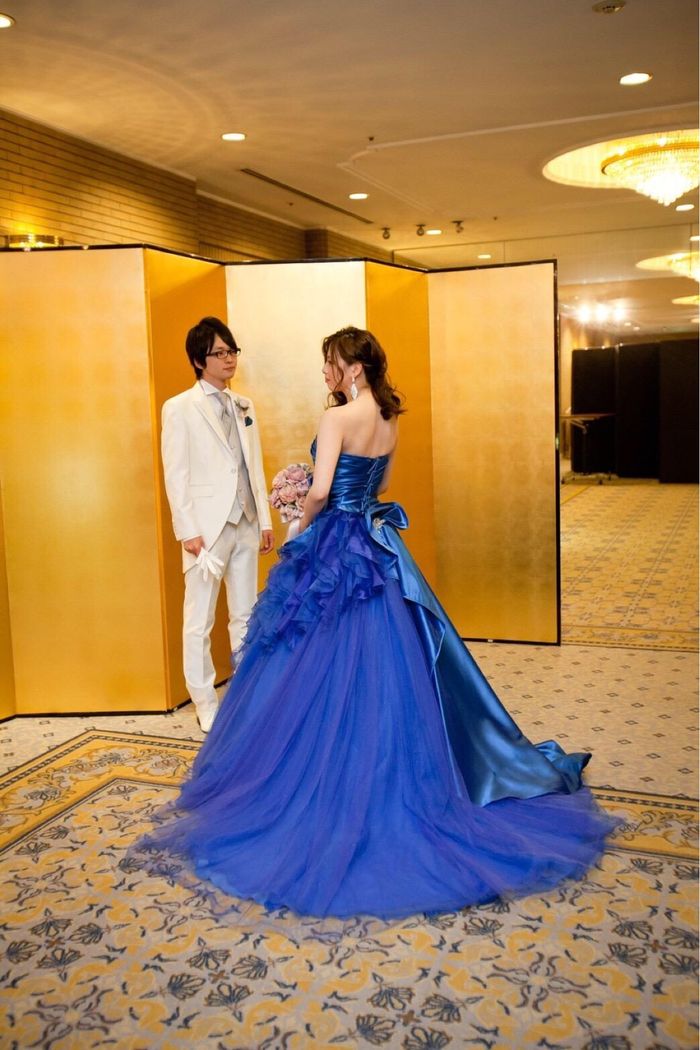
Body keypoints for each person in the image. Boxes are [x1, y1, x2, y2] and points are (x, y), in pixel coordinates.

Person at [143, 325, 617, 919]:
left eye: (330, 362)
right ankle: (396, 767)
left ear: (353, 368)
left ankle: (322, 778)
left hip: (335, 543)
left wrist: (298, 521)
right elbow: (382, 483)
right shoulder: (390, 420)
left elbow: (321, 490)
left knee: (311, 658)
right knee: (389, 658)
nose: (325, 372)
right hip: (376, 541)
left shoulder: (336, 417)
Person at [161, 316, 274, 734]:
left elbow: (252, 466)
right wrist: (187, 530)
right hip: (205, 532)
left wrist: (264, 519)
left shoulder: (244, 405)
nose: (229, 359)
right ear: (199, 360)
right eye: (220, 353)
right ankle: (204, 702)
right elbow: (176, 473)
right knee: (200, 620)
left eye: (232, 351)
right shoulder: (179, 407)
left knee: (245, 614)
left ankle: (243, 697)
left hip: (245, 521)